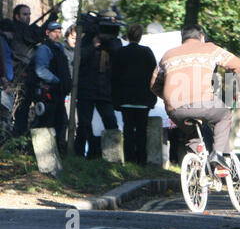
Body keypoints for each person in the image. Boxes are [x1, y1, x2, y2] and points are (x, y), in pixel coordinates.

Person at [150, 24, 240, 171]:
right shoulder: (210, 49)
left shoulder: (168, 55)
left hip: (175, 110)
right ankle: (218, 154)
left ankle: (197, 171)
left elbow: (153, 85)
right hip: (204, 103)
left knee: (192, 133)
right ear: (202, 37)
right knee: (224, 115)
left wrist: (168, 99)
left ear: (182, 39)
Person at [74, 10, 122, 158]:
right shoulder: (88, 39)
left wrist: (106, 41)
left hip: (104, 90)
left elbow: (118, 54)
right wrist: (94, 45)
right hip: (86, 89)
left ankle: (114, 156)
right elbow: (78, 59)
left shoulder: (115, 42)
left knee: (111, 122)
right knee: (84, 123)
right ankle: (79, 155)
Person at [10, 4, 60, 137]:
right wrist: (52, 16)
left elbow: (38, 33)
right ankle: (16, 139)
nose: (28, 17)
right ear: (17, 16)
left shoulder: (25, 30)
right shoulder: (17, 30)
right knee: (20, 111)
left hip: (27, 77)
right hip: (19, 78)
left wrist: (52, 16)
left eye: (29, 14)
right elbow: (37, 34)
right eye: (25, 14)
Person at [112, 24, 157, 165]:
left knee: (128, 130)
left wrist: (116, 99)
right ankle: (142, 159)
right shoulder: (146, 52)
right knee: (142, 131)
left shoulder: (120, 52)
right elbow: (154, 74)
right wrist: (152, 97)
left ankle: (130, 158)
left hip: (125, 98)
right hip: (143, 99)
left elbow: (114, 77)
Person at [27, 21, 72, 154]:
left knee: (60, 122)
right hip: (48, 92)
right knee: (46, 122)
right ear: (47, 33)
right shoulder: (44, 49)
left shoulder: (59, 48)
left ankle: (58, 151)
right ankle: (41, 153)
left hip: (58, 93)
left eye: (59, 32)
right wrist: (58, 81)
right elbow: (41, 71)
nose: (58, 35)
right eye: (55, 32)